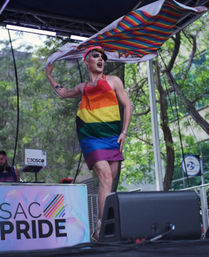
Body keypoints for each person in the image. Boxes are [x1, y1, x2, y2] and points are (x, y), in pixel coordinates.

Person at [45, 46, 132, 240]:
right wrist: (49, 76)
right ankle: (101, 229)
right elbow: (64, 93)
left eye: (103, 57)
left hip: (112, 136)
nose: (100, 59)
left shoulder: (114, 81)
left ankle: (101, 230)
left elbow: (127, 105)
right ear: (87, 61)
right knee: (106, 177)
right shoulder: (83, 87)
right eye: (95, 56)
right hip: (90, 136)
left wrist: (124, 132)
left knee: (108, 184)